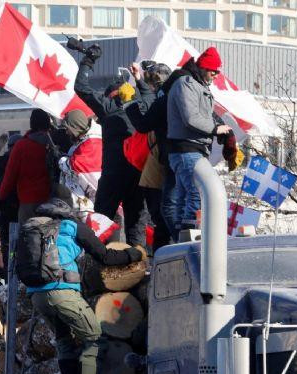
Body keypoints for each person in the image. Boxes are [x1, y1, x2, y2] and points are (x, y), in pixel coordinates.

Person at [18, 190, 143, 374]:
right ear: (67, 208)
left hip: (37, 295)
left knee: (64, 340)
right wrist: (134, 254)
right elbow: (105, 256)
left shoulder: (32, 227)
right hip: (62, 291)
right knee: (94, 337)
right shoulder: (72, 227)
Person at [75, 55, 147, 247]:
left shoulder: (107, 107)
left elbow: (81, 87)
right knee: (136, 226)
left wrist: (87, 62)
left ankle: (97, 265)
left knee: (100, 224)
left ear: (110, 94)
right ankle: (138, 267)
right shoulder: (143, 107)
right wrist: (140, 80)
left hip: (113, 174)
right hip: (138, 175)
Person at [166, 47, 231, 233]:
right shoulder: (186, 85)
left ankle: (180, 237)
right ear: (203, 68)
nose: (216, 75)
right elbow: (191, 118)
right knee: (197, 193)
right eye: (214, 71)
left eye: (218, 71)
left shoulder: (195, 85)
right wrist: (214, 128)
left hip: (189, 150)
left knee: (184, 195)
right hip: (187, 150)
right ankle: (188, 236)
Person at [124, 61, 174, 248]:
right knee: (167, 214)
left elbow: (144, 123)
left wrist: (129, 103)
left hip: (158, 164)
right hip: (166, 162)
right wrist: (138, 79)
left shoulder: (161, 101)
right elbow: (150, 96)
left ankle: (163, 254)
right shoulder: (173, 97)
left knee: (162, 215)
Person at [0, 109, 56, 223]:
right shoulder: (54, 143)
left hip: (28, 201)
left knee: (27, 235)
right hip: (52, 200)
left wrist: (1, 196)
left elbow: (10, 174)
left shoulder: (22, 145)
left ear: (32, 123)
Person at [0, 132, 21, 268]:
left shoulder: (4, 160)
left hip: (6, 211)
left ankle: (9, 276)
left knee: (8, 251)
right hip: (22, 210)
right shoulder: (25, 158)